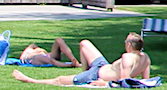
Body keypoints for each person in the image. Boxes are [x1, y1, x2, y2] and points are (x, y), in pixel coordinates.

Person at [10, 32, 151, 87]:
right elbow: (145, 80)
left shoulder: (127, 57)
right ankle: (83, 71)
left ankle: (31, 80)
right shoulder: (145, 58)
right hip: (102, 66)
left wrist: (104, 84)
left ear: (128, 45)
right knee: (84, 43)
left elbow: (123, 82)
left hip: (96, 75)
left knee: (60, 79)